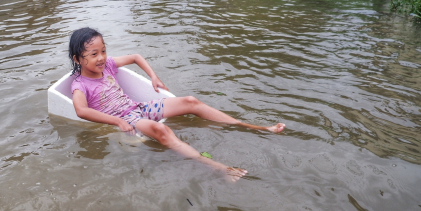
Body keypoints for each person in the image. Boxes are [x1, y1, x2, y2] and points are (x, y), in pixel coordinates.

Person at [68, 27, 286, 180]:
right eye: (94, 54)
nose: (102, 57)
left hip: (138, 108)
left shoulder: (108, 67)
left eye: (103, 51)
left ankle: (253, 127)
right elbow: (81, 110)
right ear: (78, 59)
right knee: (160, 129)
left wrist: (153, 76)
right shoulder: (80, 84)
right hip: (124, 119)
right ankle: (219, 169)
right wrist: (116, 121)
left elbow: (135, 56)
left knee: (191, 101)